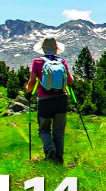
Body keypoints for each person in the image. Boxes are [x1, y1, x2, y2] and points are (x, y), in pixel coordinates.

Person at [25, 37, 74, 165]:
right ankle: (59, 158)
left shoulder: (37, 62)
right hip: (61, 98)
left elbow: (31, 83)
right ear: (57, 48)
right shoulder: (62, 61)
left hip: (45, 99)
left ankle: (49, 148)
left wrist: (27, 91)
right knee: (59, 130)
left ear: (43, 49)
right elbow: (70, 81)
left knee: (44, 129)